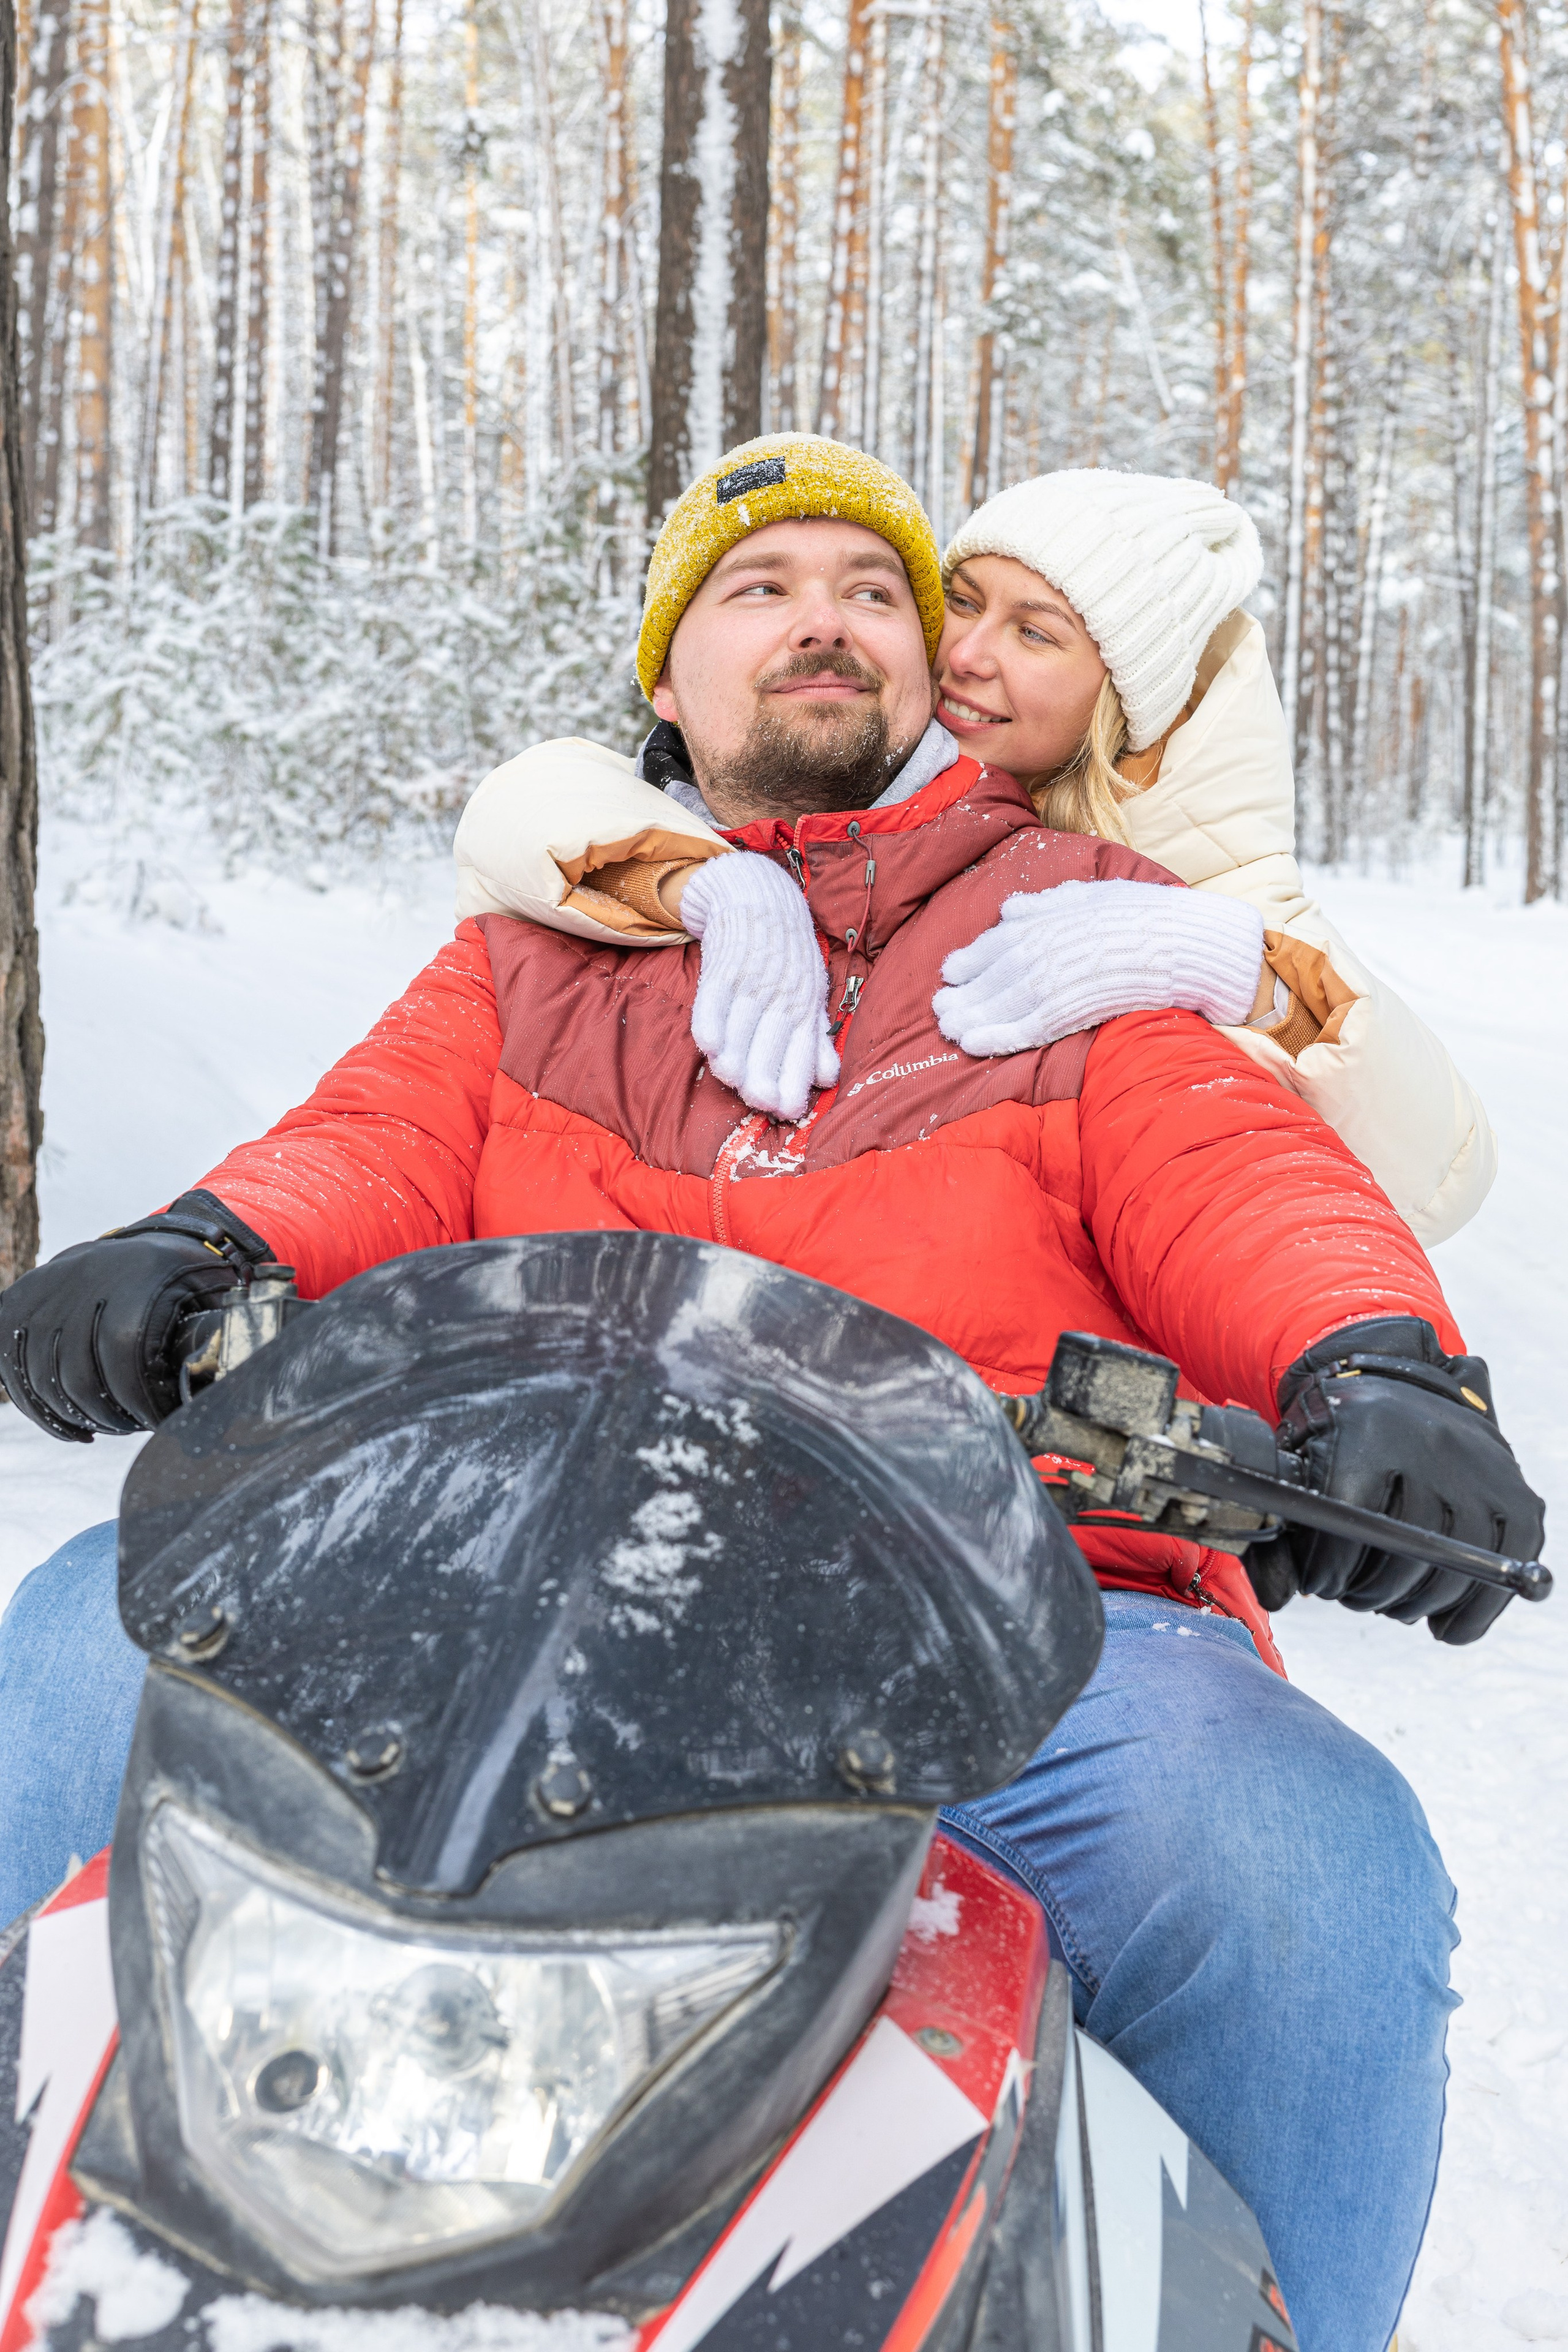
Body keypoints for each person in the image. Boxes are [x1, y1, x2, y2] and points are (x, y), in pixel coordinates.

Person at [0, 434, 1544, 2352]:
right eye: (762, 587)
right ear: (669, 674)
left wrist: (1378, 1364)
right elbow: (367, 1144)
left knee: (1297, 1852)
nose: (824, 617)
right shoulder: (534, 952)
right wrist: (201, 1244)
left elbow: (1239, 1173)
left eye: (872, 589)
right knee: (77, 1642)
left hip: (1002, 1618)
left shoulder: (1073, 934)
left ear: (924, 668)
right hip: (488, 1574)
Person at [454, 454, 1493, 1245]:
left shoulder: (1201, 861)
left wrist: (1247, 976)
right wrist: (711, 879)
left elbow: (1441, 1180)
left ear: (1119, 700)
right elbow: (530, 804)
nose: (968, 654)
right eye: (962, 603)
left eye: (1036, 634)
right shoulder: (880, 774)